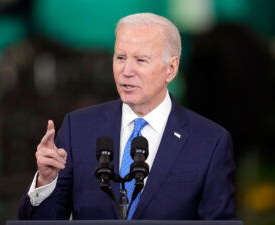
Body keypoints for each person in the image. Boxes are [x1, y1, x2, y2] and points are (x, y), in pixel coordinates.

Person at [18, 12, 236, 220]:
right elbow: (43, 220)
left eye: (141, 60)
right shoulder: (78, 128)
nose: (126, 70)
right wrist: (45, 182)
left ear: (171, 68)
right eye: (120, 57)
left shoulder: (210, 142)